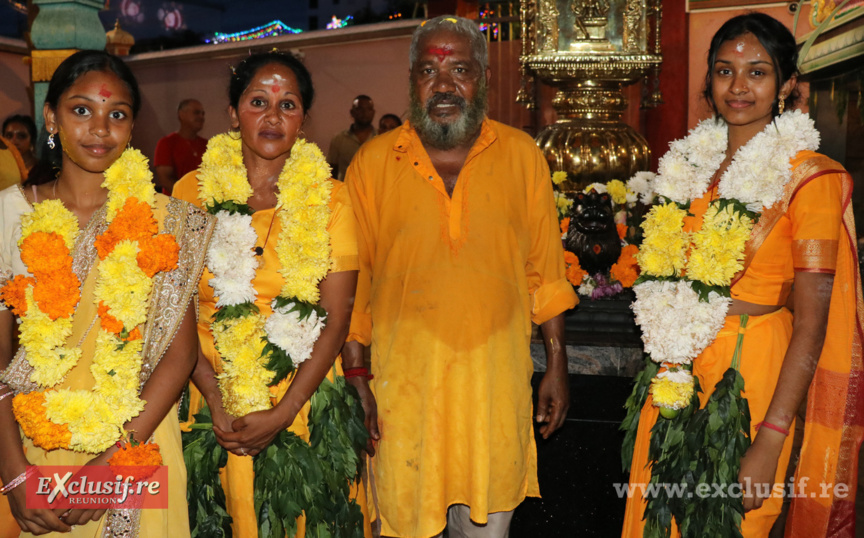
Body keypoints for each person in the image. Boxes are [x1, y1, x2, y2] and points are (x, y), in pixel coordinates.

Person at [621, 13, 863, 537]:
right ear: (708, 81)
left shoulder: (811, 177)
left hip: (750, 374)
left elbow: (813, 323)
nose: (738, 86)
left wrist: (772, 436)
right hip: (675, 366)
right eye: (725, 70)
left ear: (787, 85)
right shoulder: (686, 166)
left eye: (757, 72)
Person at [342, 15, 578, 538]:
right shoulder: (373, 164)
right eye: (429, 71)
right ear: (411, 81)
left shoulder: (521, 156)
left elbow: (546, 268)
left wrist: (556, 365)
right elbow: (354, 282)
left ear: (483, 80)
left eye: (460, 70)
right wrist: (356, 378)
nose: (444, 85)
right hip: (401, 398)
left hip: (492, 392)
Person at [0, 50, 213, 537]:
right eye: (81, 110)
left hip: (136, 442)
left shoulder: (165, 221)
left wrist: (110, 463)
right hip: (32, 445)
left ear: (132, 127)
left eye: (116, 114)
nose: (100, 128)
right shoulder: (7, 215)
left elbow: (180, 356)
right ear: (51, 116)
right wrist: (13, 473)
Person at [173, 50, 369, 537]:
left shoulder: (333, 198)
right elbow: (173, 313)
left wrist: (283, 412)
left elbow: (335, 317)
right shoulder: (188, 193)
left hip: (303, 396)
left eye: (288, 105)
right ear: (233, 112)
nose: (272, 116)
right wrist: (217, 401)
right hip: (208, 394)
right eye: (258, 101)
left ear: (303, 119)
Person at [153, 98, 207, 193]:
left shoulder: (207, 144)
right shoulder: (166, 143)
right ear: (182, 115)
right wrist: (188, 198)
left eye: (203, 114)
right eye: (196, 112)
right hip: (175, 203)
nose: (201, 117)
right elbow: (165, 179)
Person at [327, 94, 375, 180]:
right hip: (346, 190)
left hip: (375, 191)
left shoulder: (380, 137)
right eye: (360, 109)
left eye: (368, 109)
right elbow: (331, 170)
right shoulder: (339, 139)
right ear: (352, 112)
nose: (364, 113)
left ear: (373, 112)